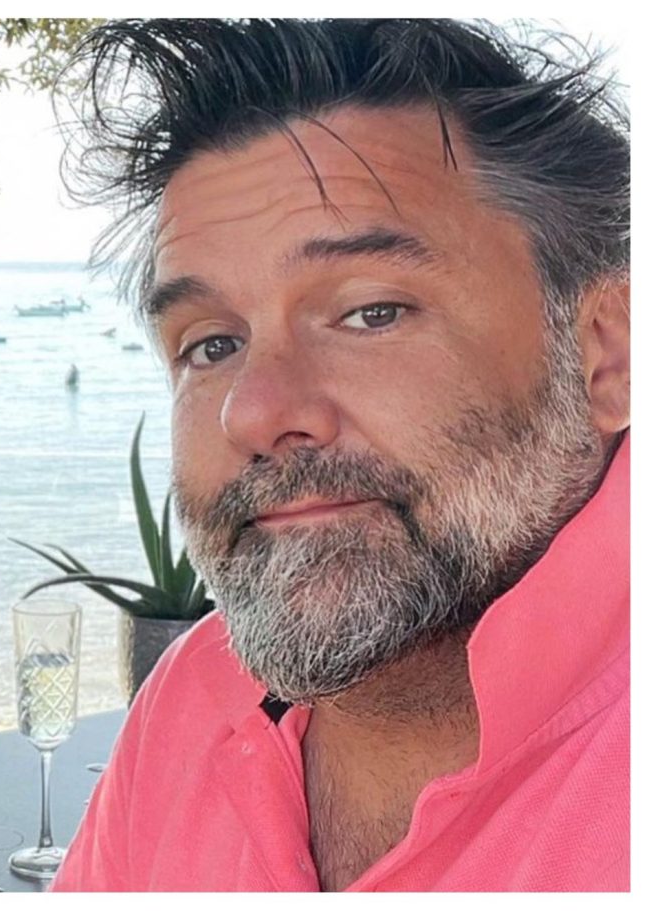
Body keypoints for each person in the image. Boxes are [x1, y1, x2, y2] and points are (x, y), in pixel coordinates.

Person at [49, 19, 628, 891]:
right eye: (211, 344)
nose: (254, 412)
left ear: (605, 355)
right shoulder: (193, 697)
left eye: (371, 312)